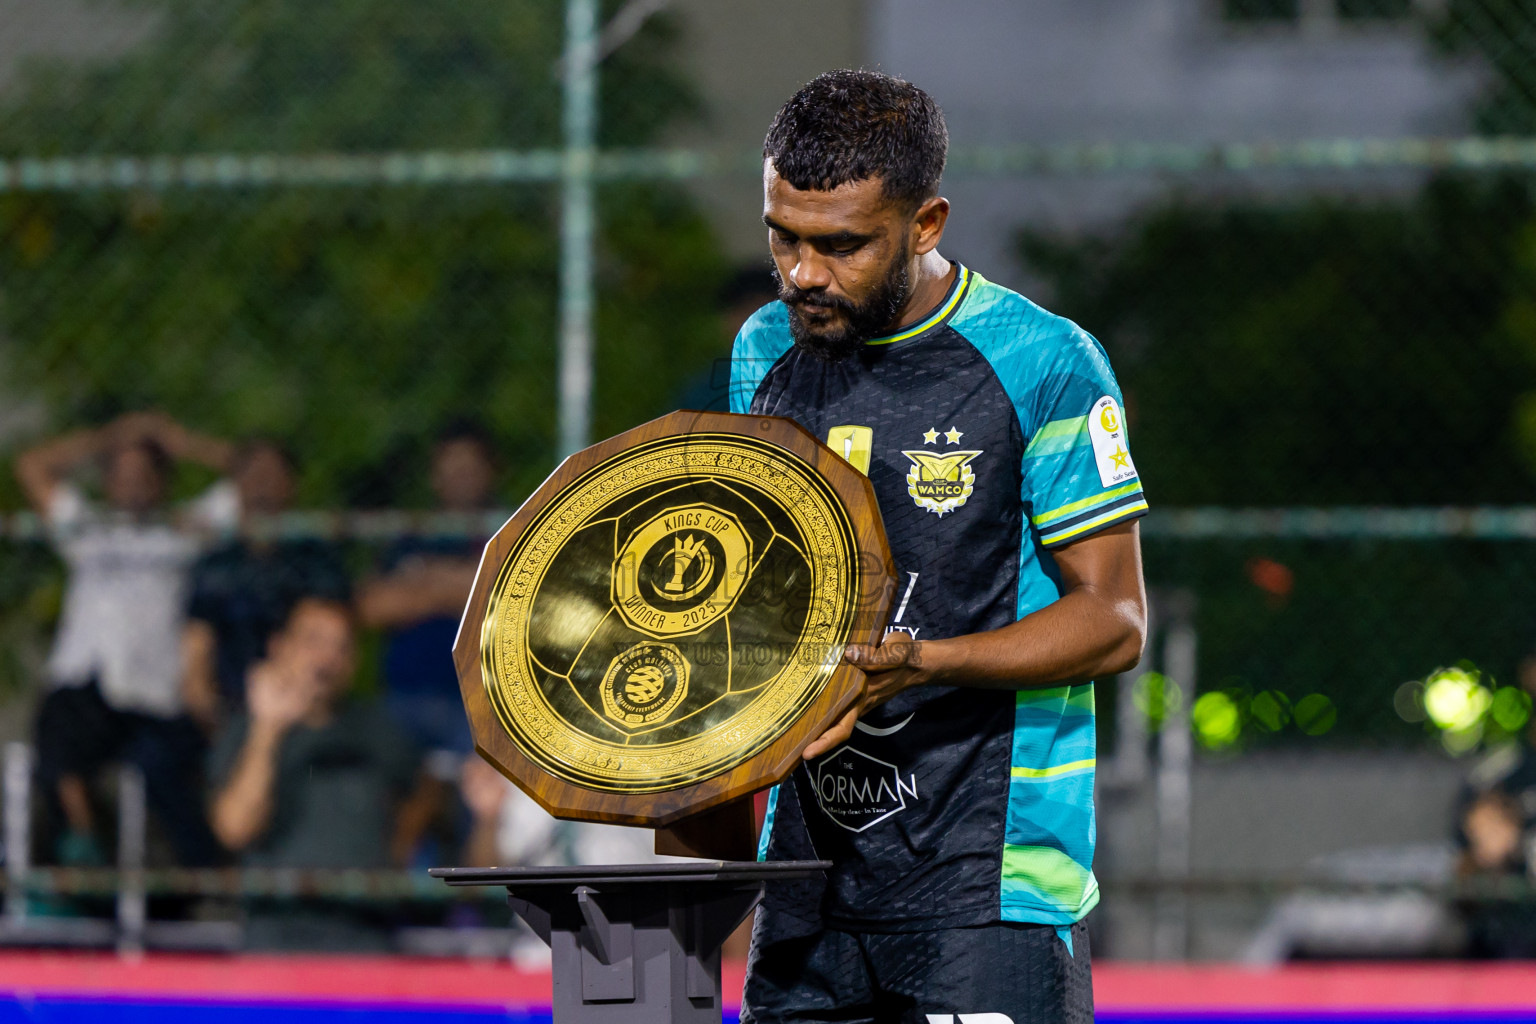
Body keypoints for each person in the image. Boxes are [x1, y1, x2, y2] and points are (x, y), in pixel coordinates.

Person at [731, 72, 1148, 1024]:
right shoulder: (766, 348)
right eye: (782, 236)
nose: (802, 272)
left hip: (986, 886)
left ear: (926, 225)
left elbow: (1115, 622)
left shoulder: (1046, 362)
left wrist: (921, 665)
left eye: (840, 245)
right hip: (808, 879)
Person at [16, 411, 235, 867]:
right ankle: (80, 848)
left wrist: (178, 438)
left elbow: (250, 476)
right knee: (55, 739)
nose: (133, 484)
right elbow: (32, 467)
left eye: (144, 474)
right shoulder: (88, 531)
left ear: (162, 482)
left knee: (170, 778)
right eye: (121, 474)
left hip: (154, 694)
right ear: (108, 482)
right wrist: (107, 436)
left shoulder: (181, 534)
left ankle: (208, 876)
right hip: (88, 682)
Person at [208, 597, 435, 949]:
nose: (328, 658)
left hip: (365, 936)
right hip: (274, 935)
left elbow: (426, 789)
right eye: (313, 640)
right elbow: (234, 828)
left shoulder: (379, 729)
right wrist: (268, 729)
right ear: (278, 647)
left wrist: (400, 847)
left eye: (342, 647)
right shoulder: (245, 732)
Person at [358, 421, 497, 774]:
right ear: (434, 476)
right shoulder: (411, 535)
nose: (460, 476)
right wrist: (462, 584)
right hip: (404, 698)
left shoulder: (507, 530)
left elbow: (514, 601)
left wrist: (423, 582)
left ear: (490, 472)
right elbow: (371, 607)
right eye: (450, 466)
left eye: (470, 466)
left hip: (483, 703)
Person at [182, 439, 349, 731]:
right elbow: (196, 654)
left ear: (291, 486)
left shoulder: (316, 562)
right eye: (253, 474)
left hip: (305, 707)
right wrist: (212, 716)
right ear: (236, 485)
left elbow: (331, 642)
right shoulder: (215, 565)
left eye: (272, 476)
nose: (262, 486)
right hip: (230, 713)